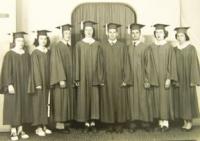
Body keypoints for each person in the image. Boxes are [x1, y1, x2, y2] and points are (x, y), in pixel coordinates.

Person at [100, 23, 132, 133]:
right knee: (108, 100)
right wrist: (101, 79)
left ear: (117, 34)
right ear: (107, 33)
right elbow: (99, 63)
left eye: (114, 32)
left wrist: (126, 79)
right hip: (107, 78)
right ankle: (109, 124)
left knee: (119, 101)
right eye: (110, 32)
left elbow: (126, 63)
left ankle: (119, 124)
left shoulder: (122, 46)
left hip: (119, 78)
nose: (112, 34)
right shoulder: (102, 46)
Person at [0, 32, 31, 140]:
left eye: (22, 41)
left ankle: (21, 129)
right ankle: (13, 130)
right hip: (14, 85)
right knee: (13, 106)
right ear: (14, 42)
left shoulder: (26, 54)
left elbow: (30, 71)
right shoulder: (9, 54)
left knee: (23, 105)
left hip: (24, 84)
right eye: (18, 40)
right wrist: (9, 84)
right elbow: (6, 71)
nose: (21, 43)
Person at [127, 23, 156, 133]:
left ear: (140, 34)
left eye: (136, 33)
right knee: (132, 100)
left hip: (142, 77)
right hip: (131, 78)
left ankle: (145, 123)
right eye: (133, 33)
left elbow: (148, 64)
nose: (134, 35)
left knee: (143, 99)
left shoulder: (145, 47)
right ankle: (133, 123)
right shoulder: (128, 47)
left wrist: (147, 79)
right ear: (131, 34)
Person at [148, 24, 178, 132]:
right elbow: (149, 64)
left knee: (165, 100)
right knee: (157, 100)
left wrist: (169, 78)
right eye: (157, 32)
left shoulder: (168, 47)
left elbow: (172, 63)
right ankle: (160, 123)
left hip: (165, 78)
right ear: (154, 34)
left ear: (165, 33)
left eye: (161, 32)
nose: (158, 34)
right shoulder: (152, 47)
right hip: (155, 78)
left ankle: (166, 123)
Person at [75, 20, 101, 133]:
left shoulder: (98, 44)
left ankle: (93, 122)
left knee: (94, 99)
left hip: (94, 76)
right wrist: (77, 78)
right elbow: (76, 61)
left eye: (91, 30)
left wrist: (100, 77)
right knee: (84, 98)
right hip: (83, 75)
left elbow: (101, 62)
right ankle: (86, 123)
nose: (89, 32)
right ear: (83, 31)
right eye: (87, 30)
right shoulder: (79, 44)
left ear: (93, 31)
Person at [173, 27, 200, 131]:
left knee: (188, 100)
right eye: (178, 36)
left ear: (186, 37)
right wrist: (174, 78)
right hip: (179, 78)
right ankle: (184, 122)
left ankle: (189, 122)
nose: (180, 38)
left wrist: (194, 79)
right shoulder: (175, 49)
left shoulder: (191, 48)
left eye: (182, 36)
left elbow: (194, 64)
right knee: (180, 99)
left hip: (188, 79)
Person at [50, 24, 74, 133]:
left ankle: (64, 124)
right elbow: (56, 63)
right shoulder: (57, 47)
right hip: (61, 80)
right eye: (66, 33)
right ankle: (59, 126)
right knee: (60, 101)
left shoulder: (69, 46)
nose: (68, 35)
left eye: (69, 33)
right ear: (62, 34)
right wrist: (60, 78)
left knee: (66, 101)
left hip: (69, 79)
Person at [28, 30, 52, 136]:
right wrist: (38, 83)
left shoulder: (48, 51)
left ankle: (44, 125)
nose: (43, 40)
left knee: (46, 103)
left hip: (47, 81)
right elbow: (35, 69)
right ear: (37, 40)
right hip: (39, 82)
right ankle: (37, 127)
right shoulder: (35, 53)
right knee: (38, 104)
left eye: (45, 38)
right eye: (41, 38)